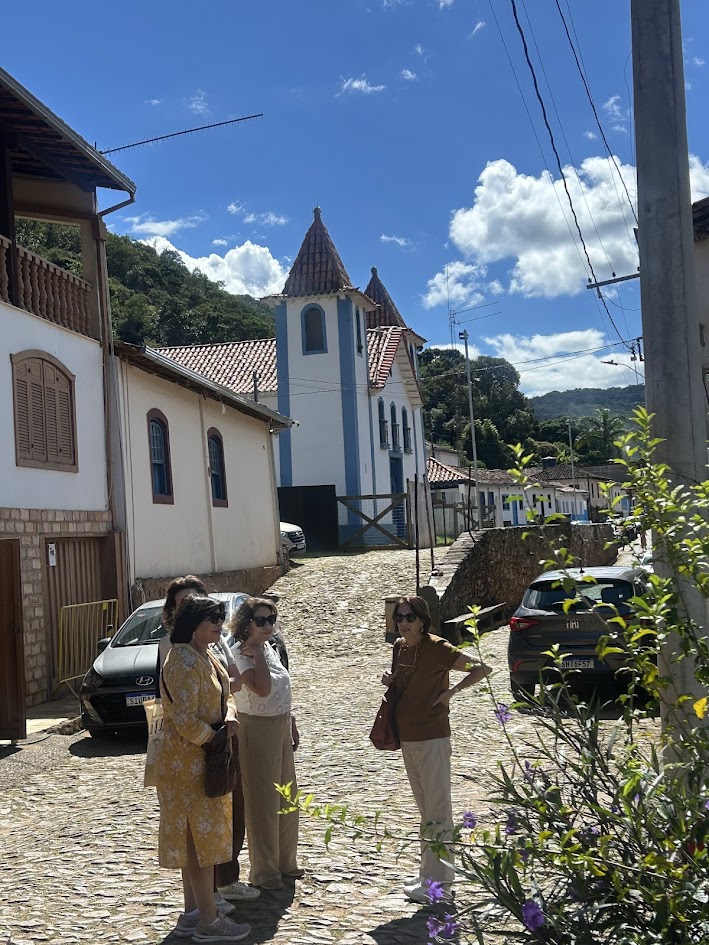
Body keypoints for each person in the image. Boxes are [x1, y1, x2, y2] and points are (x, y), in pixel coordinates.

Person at [381, 595, 492, 905]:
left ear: (422, 620)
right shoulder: (400, 647)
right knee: (426, 811)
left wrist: (452, 691)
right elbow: (404, 684)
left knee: (438, 811)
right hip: (408, 737)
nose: (404, 622)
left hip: (432, 737)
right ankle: (427, 875)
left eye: (410, 617)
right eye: (399, 617)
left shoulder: (437, 647)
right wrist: (392, 680)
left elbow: (482, 668)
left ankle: (440, 885)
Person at [159, 577, 259, 908]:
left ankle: (197, 912)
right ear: (192, 623)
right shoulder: (181, 659)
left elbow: (227, 691)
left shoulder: (207, 654)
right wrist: (216, 737)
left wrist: (229, 714)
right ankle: (206, 917)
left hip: (209, 757)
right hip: (188, 763)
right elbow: (183, 719)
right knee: (195, 842)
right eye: (212, 619)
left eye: (220, 617)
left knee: (206, 837)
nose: (219, 624)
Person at [228, 597, 302, 890]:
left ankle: (286, 861)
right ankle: (264, 871)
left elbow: (282, 688)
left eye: (271, 620)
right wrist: (257, 653)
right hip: (256, 729)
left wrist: (290, 720)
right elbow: (262, 689)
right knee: (263, 802)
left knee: (287, 797)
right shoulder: (241, 654)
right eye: (261, 621)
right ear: (246, 624)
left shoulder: (269, 647)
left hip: (279, 724)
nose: (268, 625)